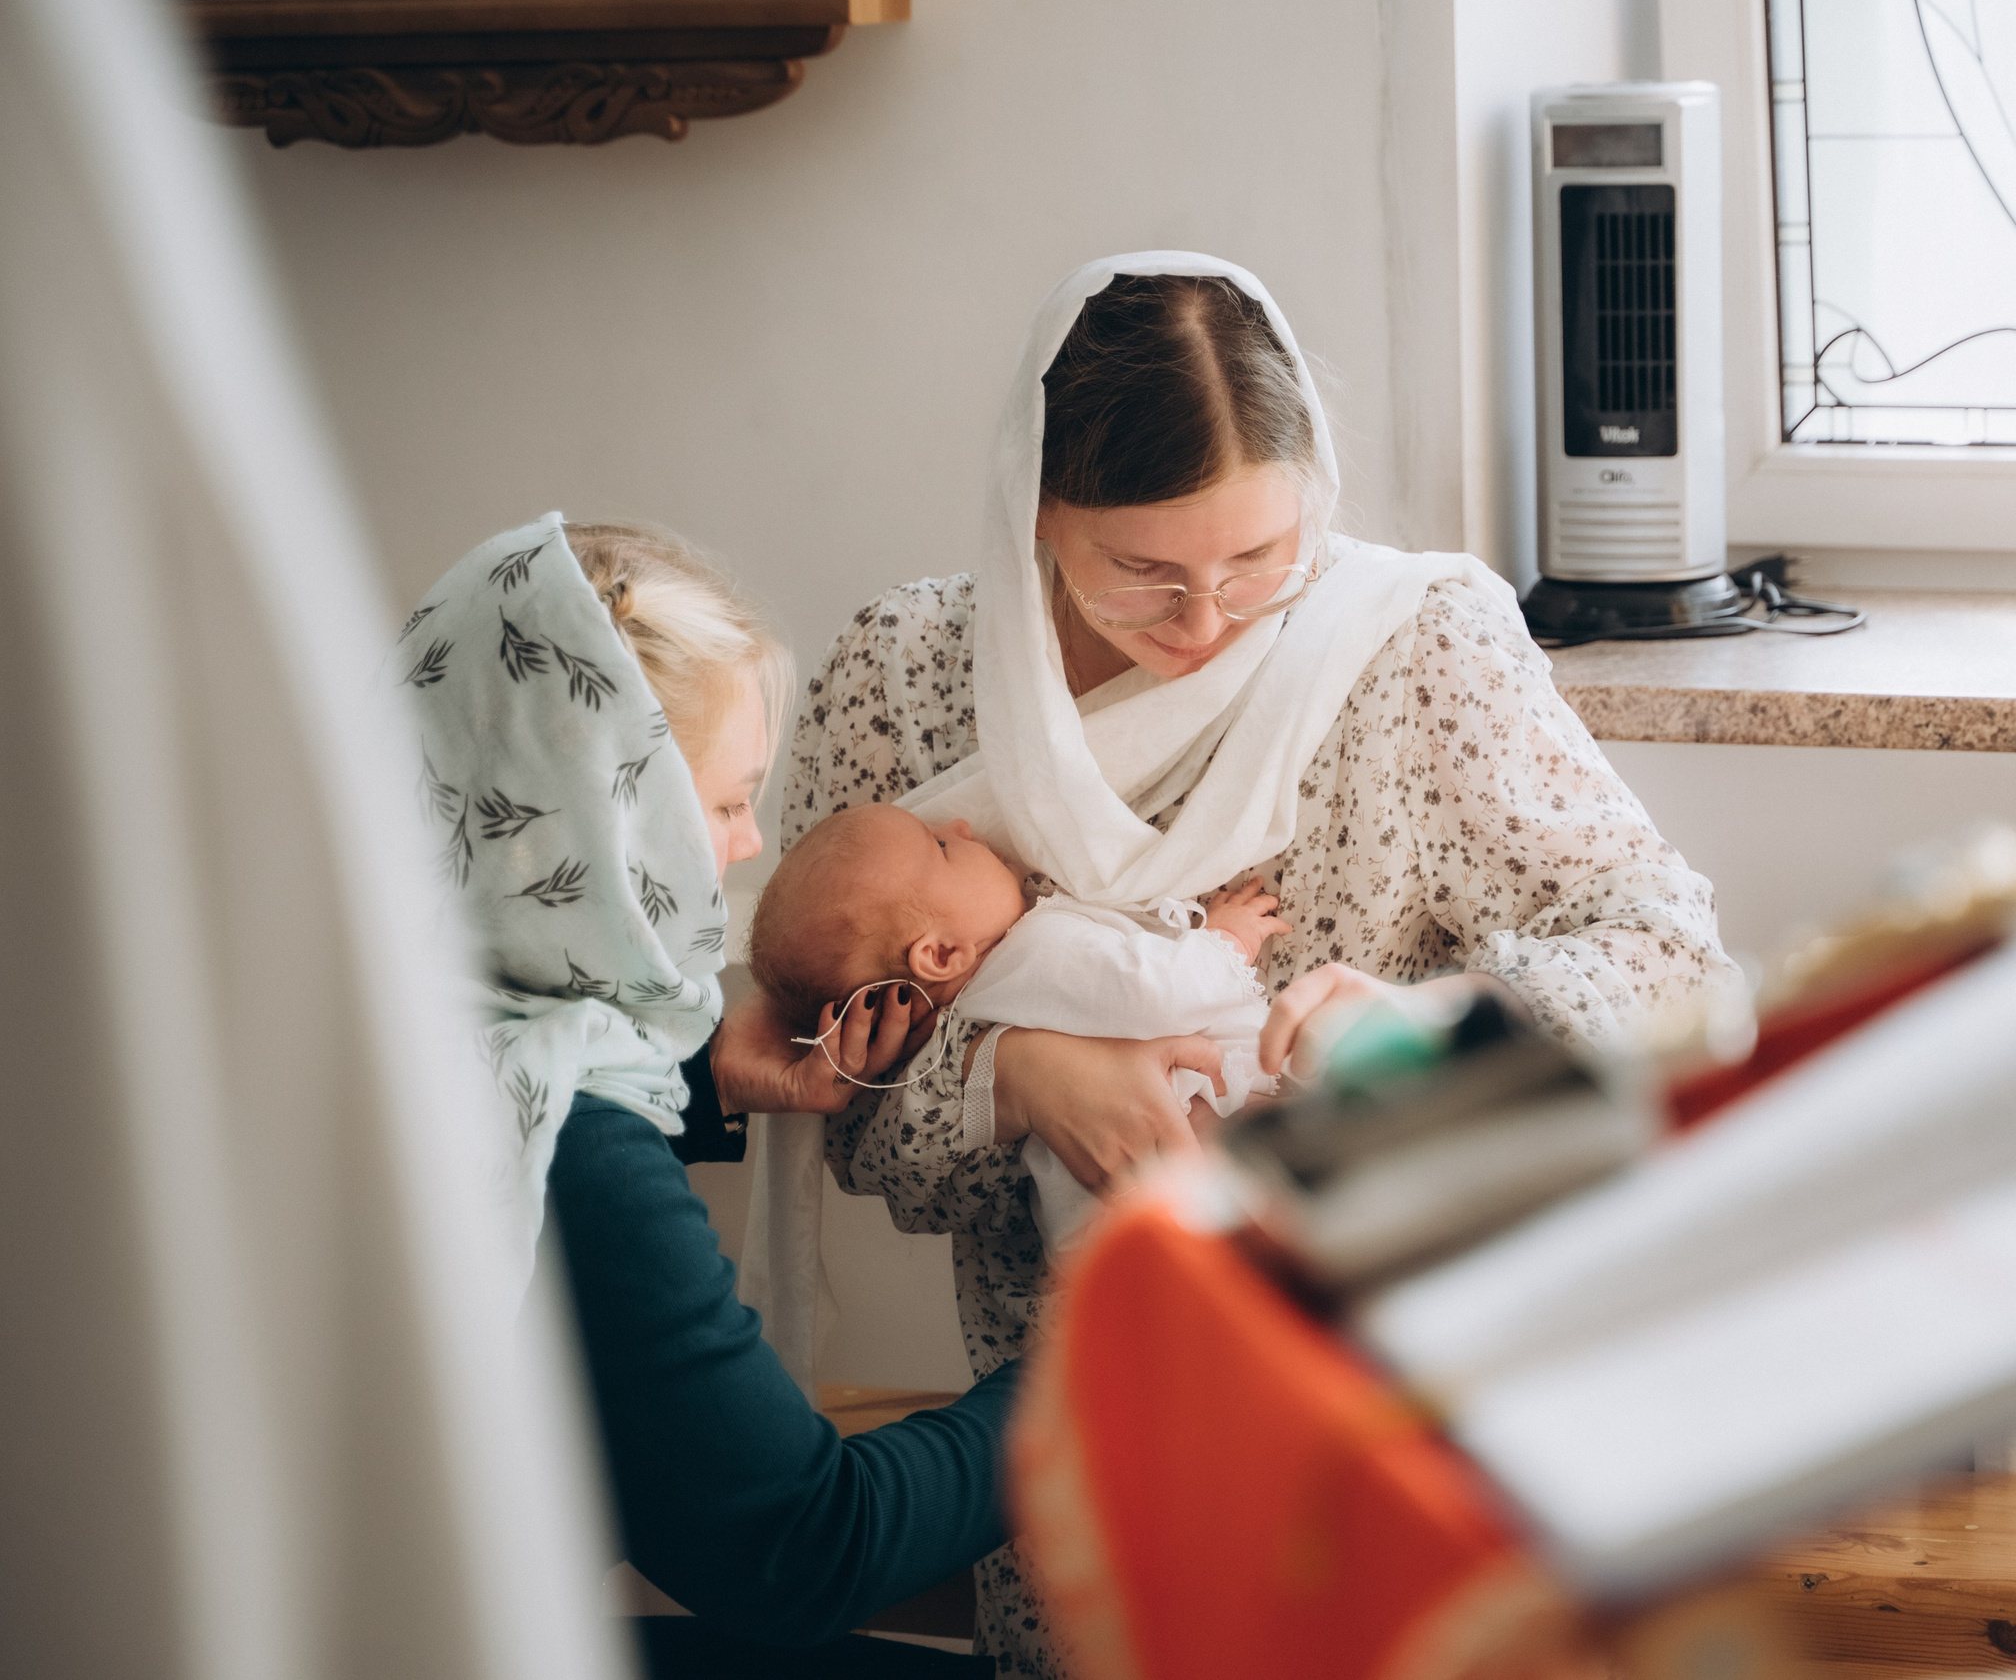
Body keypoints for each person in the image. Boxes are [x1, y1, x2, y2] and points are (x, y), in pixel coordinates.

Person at [716, 253, 1749, 1677]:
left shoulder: (1413, 645)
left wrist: (1438, 1018)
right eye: (1142, 573)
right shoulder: (906, 675)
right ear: (1034, 511)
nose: (1203, 622)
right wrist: (1017, 1074)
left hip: (1408, 1413)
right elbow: (844, 1102)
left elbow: (1675, 954)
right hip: (1074, 1444)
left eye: (1257, 560)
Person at [395, 513, 1015, 1679]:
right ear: (605, 828)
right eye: (725, 805)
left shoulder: (388, 1023)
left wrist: (703, 1076)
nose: (747, 843)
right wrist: (1096, 1373)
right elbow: (801, 1549)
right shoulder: (575, 1141)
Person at [748, 801, 1288, 1245]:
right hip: (1195, 1156)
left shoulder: (960, 1032)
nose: (961, 824)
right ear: (941, 954)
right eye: (940, 846)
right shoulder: (1033, 952)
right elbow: (1158, 992)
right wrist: (1227, 939)